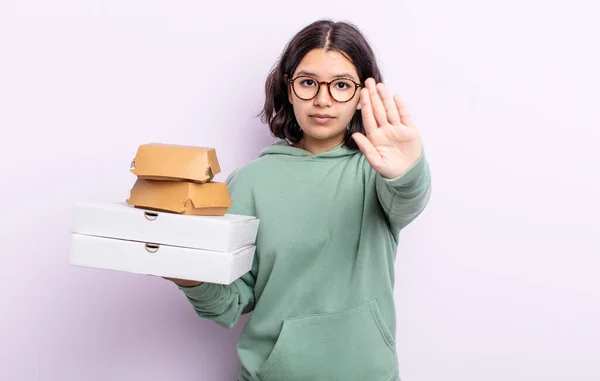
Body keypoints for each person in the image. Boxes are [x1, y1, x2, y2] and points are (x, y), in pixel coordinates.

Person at [166, 19, 432, 381]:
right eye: (308, 83)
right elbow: (230, 303)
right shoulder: (249, 183)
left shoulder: (377, 174)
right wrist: (189, 277)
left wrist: (408, 170)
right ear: (289, 90)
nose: (323, 99)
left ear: (361, 96)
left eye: (341, 85)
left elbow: (408, 198)